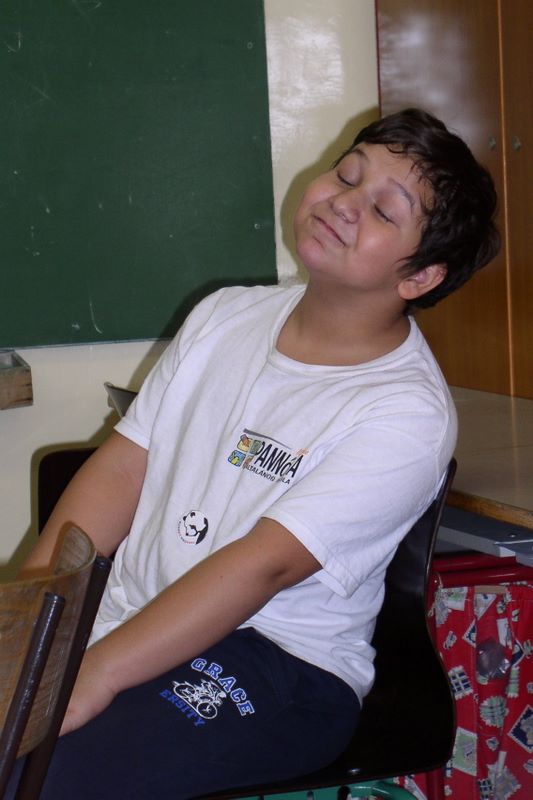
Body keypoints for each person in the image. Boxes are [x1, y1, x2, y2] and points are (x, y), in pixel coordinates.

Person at [20, 108, 499, 799]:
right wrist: (32, 618)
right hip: (132, 610)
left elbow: (263, 566)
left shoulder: (406, 414)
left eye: (381, 210)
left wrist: (92, 675)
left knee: (48, 771)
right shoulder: (225, 315)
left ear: (420, 276)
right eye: (346, 174)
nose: (342, 203)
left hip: (278, 663)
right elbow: (123, 466)